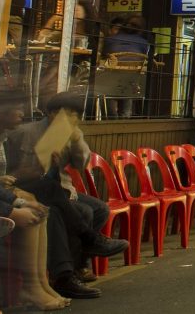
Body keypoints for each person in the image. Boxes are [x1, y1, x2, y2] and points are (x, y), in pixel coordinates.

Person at [7, 92, 128, 299]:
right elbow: (14, 171)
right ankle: (69, 271)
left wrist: (75, 139)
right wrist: (36, 166)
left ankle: (79, 262)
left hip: (61, 187)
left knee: (100, 209)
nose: (72, 118)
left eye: (76, 114)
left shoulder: (73, 133)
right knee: (83, 212)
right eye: (67, 113)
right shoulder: (26, 132)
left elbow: (81, 164)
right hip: (31, 187)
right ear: (52, 113)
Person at [0, 91, 68, 310]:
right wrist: (10, 209)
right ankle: (34, 285)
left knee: (39, 205)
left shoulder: (2, 138)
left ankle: (38, 283)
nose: (23, 113)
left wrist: (16, 202)